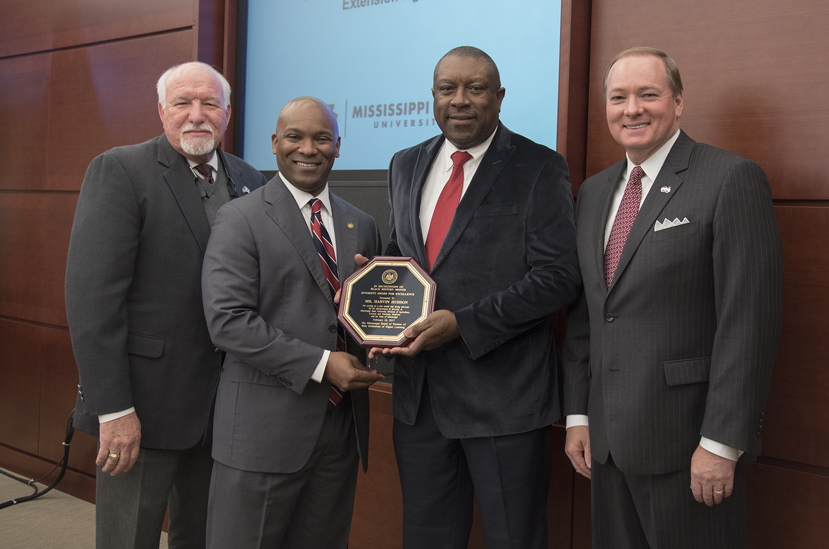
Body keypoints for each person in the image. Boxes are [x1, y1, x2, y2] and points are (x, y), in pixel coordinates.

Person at [562, 47, 783, 548]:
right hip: (606, 448)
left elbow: (749, 322)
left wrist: (721, 444)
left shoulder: (729, 178)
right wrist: (578, 414)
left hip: (687, 448)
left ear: (678, 102)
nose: (632, 109)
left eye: (648, 94)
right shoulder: (593, 193)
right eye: (619, 97)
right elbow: (588, 314)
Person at [376, 46, 580, 548]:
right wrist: (376, 284)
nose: (460, 101)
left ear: (500, 97)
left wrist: (464, 323)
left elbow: (559, 276)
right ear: (433, 96)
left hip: (504, 402)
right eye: (448, 89)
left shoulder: (538, 166)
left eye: (476, 88)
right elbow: (405, 254)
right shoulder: (405, 163)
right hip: (420, 402)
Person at [65, 61, 266, 547]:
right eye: (182, 103)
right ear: (161, 111)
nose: (196, 115)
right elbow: (93, 301)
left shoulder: (251, 178)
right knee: (127, 538)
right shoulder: (120, 169)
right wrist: (114, 410)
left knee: (202, 536)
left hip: (227, 410)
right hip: (143, 411)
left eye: (209, 103)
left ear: (228, 112)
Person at [200, 97, 385, 548]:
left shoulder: (360, 224)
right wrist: (323, 364)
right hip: (261, 435)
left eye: (322, 137)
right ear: (274, 143)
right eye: (295, 137)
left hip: (340, 433)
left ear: (338, 145)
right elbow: (228, 321)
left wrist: (381, 327)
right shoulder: (239, 217)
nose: (309, 148)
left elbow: (368, 314)